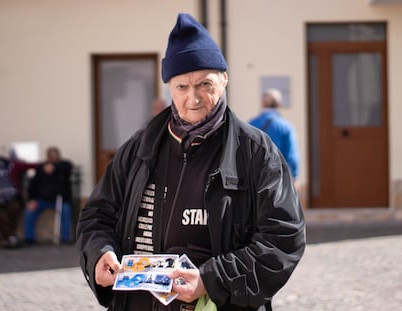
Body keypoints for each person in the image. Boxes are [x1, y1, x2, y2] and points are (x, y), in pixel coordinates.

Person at [77, 13, 305, 311]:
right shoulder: (139, 147)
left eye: (204, 84)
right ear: (170, 88)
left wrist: (211, 280)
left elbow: (283, 237)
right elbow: (97, 215)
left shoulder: (256, 151)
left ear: (224, 80)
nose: (193, 98)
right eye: (182, 87)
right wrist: (98, 252)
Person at [249, 89, 300, 186]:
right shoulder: (285, 126)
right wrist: (294, 176)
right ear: (279, 104)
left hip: (255, 178)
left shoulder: (250, 124)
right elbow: (292, 157)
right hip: (279, 178)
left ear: (262, 103)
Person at [24, 146, 72, 244]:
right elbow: (33, 185)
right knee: (30, 211)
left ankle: (65, 238)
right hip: (42, 200)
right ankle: (29, 238)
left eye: (54, 156)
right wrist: (32, 199)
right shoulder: (41, 168)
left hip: (60, 200)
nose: (53, 158)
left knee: (66, 210)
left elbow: (68, 167)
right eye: (51, 156)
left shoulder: (63, 167)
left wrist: (55, 168)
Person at [0, 147, 22, 248]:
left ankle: (7, 238)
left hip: (9, 197)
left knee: (15, 208)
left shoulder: (6, 167)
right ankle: (11, 237)